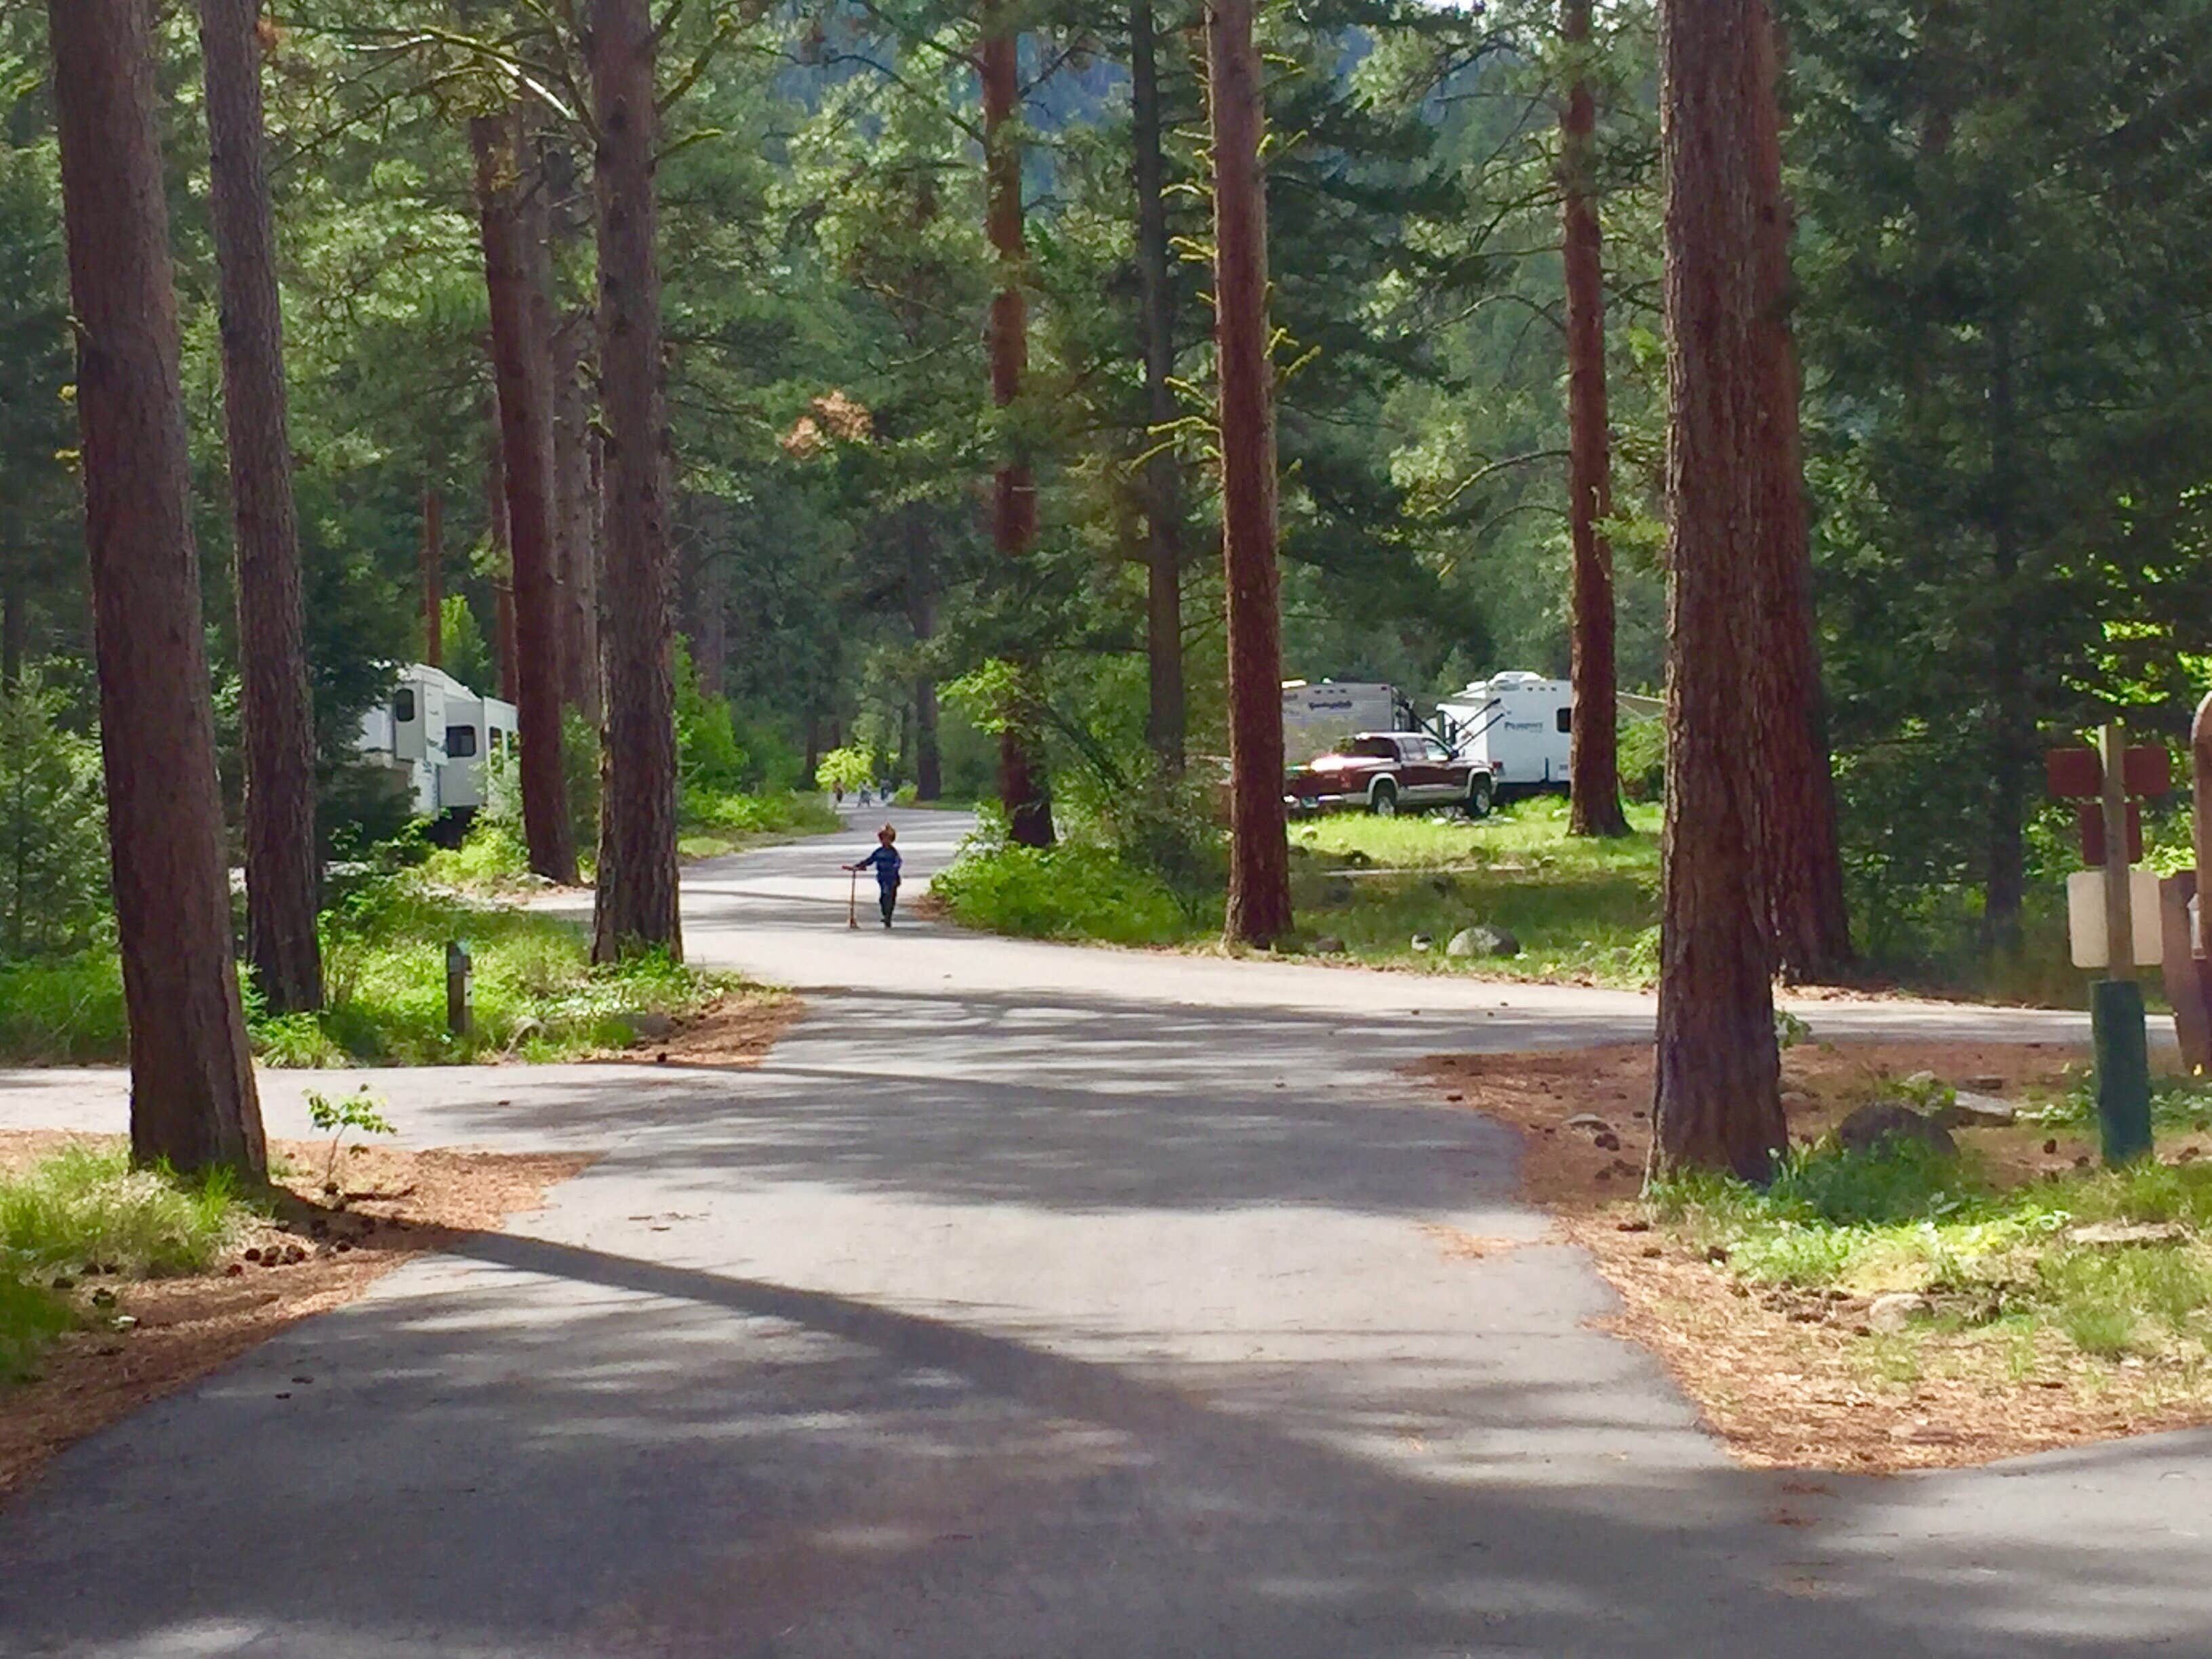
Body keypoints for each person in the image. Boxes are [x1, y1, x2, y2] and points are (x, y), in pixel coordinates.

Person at [844, 823, 903, 928]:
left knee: (891, 897)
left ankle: (888, 916)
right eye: (883, 838)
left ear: (891, 839)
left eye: (888, 838)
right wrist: (859, 866)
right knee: (883, 897)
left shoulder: (893, 852)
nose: (885, 841)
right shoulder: (879, 852)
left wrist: (895, 867)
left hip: (892, 878)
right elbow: (870, 860)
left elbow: (898, 862)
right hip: (882, 878)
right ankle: (886, 913)